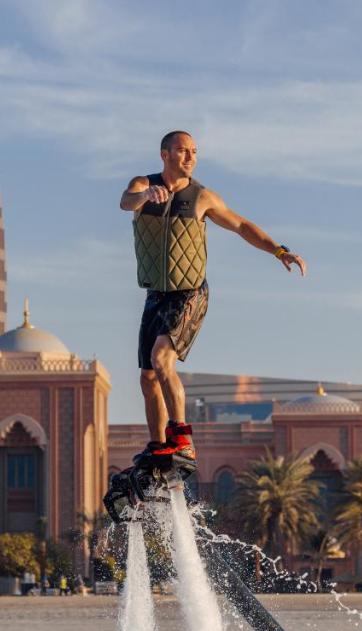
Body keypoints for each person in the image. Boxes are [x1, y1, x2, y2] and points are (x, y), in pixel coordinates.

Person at [120, 131, 307, 466]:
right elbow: (126, 202)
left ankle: (182, 439)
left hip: (189, 293)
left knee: (162, 360)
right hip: (155, 295)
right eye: (182, 151)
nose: (190, 157)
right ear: (164, 154)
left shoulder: (202, 196)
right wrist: (147, 194)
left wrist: (279, 250)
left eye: (194, 151)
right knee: (148, 377)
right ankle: (158, 445)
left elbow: (241, 225)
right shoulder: (142, 184)